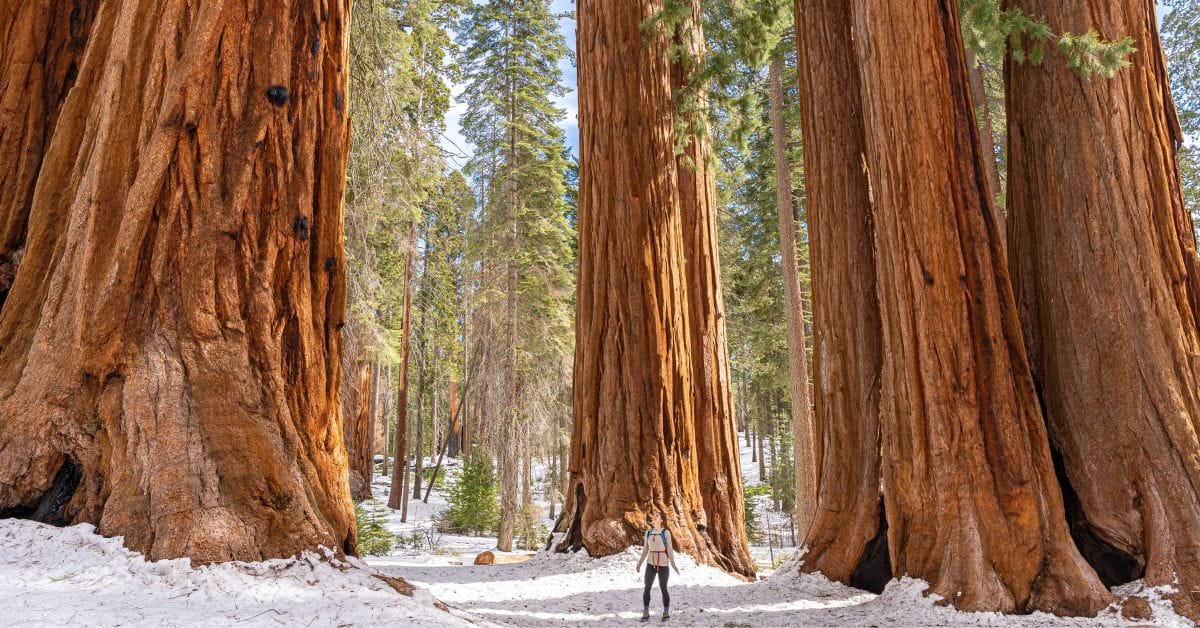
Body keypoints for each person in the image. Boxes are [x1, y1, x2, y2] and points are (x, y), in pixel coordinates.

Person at [636, 512, 679, 622]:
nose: (654, 517)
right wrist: (640, 563)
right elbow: (645, 549)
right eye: (653, 516)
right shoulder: (648, 533)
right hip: (651, 564)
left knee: (663, 588)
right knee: (647, 588)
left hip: (663, 564)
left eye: (657, 516)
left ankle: (666, 612)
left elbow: (669, 549)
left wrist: (673, 564)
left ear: (661, 520)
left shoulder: (666, 533)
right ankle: (645, 612)